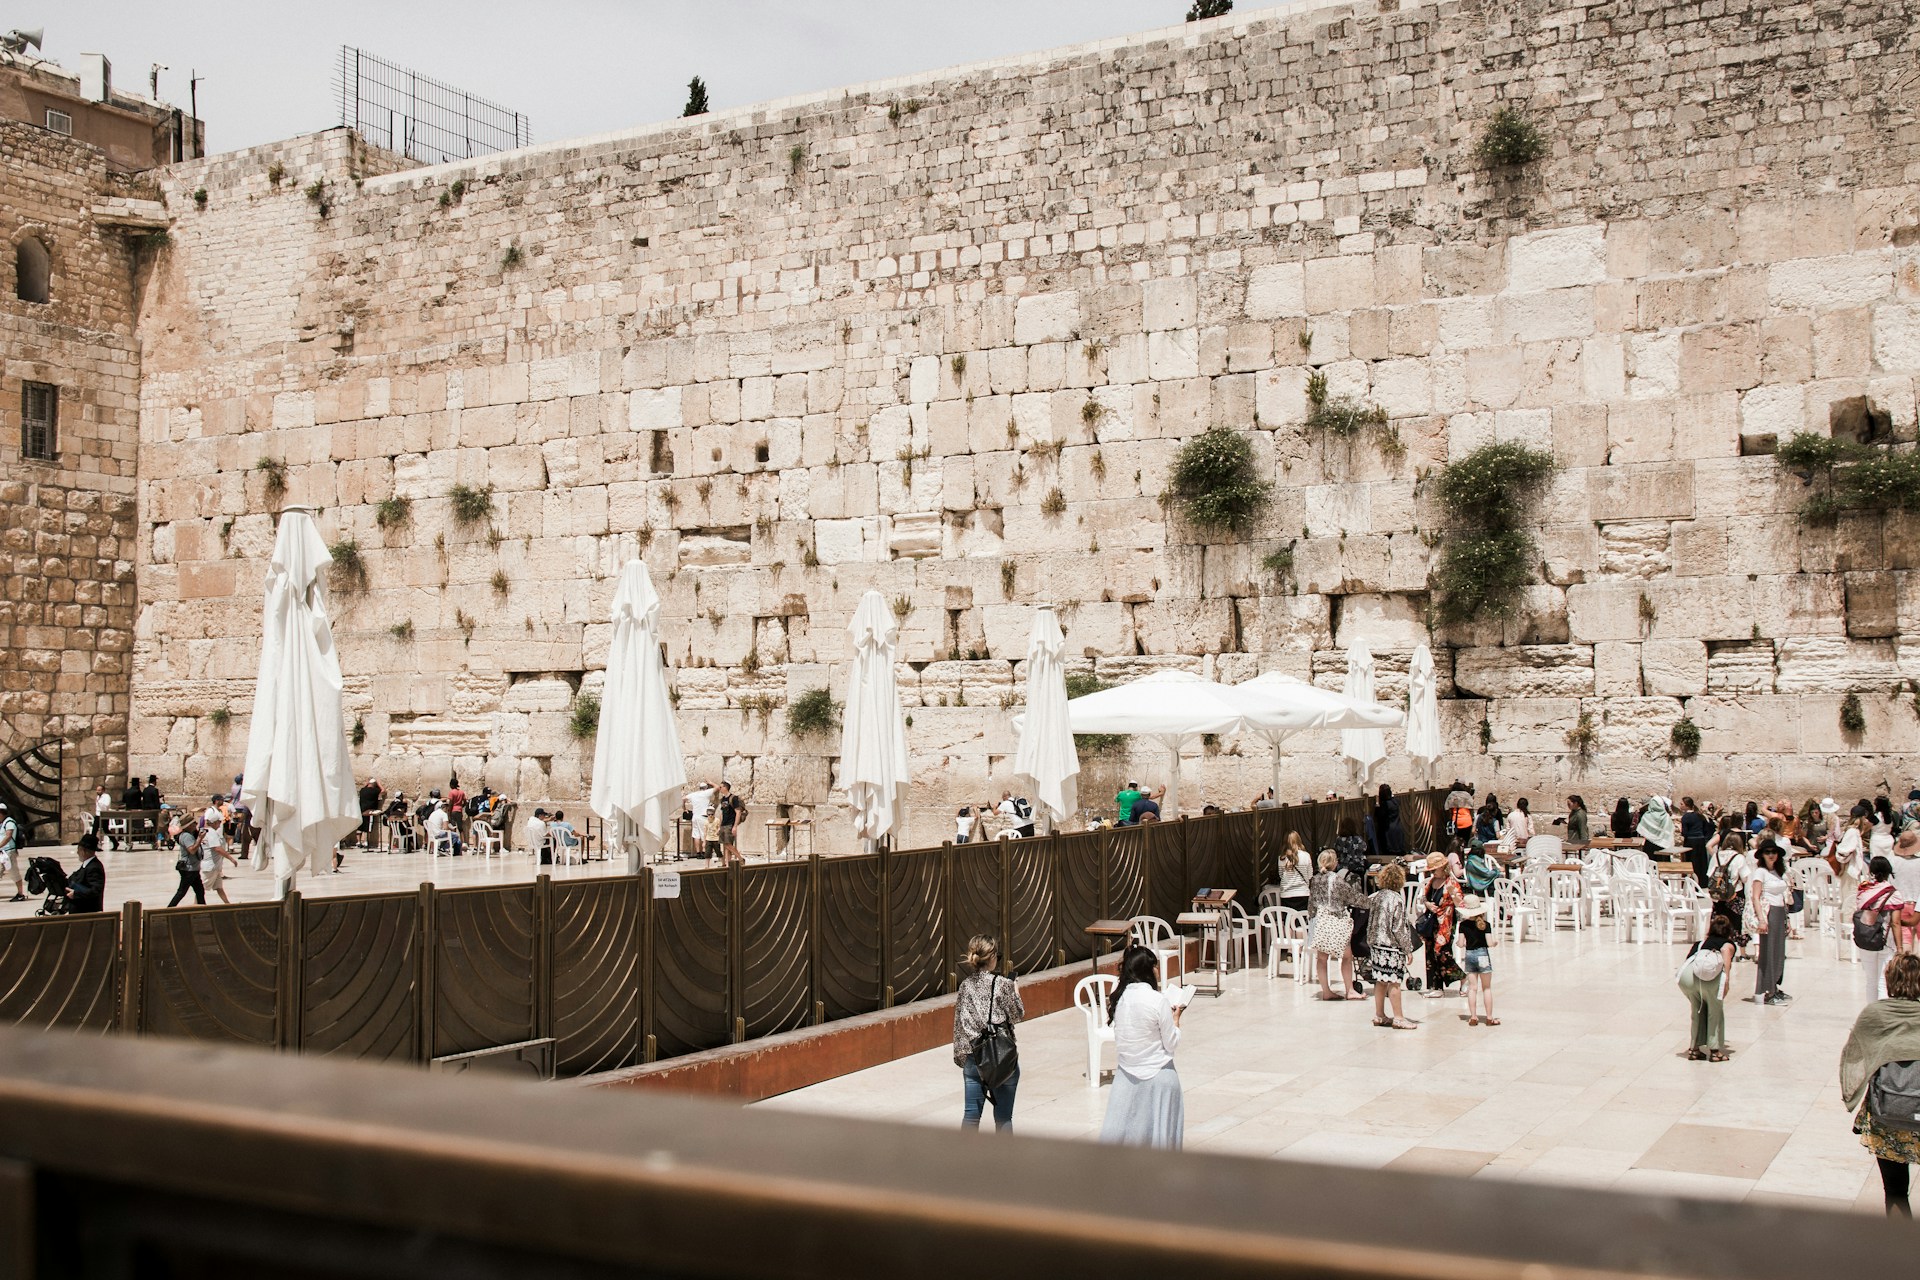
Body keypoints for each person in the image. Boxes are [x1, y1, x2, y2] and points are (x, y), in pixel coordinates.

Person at [1839, 952, 1920, 1217]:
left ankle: (1900, 1248)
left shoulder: (1875, 1014)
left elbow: (1853, 1054)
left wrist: (1851, 1095)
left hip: (1888, 1116)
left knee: (1895, 1192)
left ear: (1890, 980)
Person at [1099, 945, 1185, 1148]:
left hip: (1126, 1078)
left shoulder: (1120, 999)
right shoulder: (1157, 1000)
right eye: (1154, 966)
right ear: (1148, 970)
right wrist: (1176, 1021)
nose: (1157, 971)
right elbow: (1171, 1043)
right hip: (1160, 1079)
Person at [952, 934, 1023, 1131]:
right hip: (1002, 1058)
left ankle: (964, 1160)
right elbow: (1017, 1015)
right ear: (991, 958)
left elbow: (959, 1027)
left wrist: (963, 1060)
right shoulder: (1002, 984)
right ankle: (1004, 1161)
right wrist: (1015, 992)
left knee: (971, 1116)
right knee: (1003, 1118)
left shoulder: (965, 986)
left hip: (974, 1057)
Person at [1679, 902, 1738, 1062]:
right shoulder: (1728, 944)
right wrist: (1726, 982)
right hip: (1710, 982)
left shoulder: (1701, 944)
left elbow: (1689, 960)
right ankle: (1714, 1050)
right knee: (1714, 1013)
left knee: (1697, 1011)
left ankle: (1694, 1049)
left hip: (1688, 980)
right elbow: (1726, 953)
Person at [1307, 850, 1367, 1000]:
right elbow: (1353, 897)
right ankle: (1350, 990)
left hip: (1320, 920)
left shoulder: (1314, 880)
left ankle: (1326, 991)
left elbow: (1311, 903)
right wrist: (1371, 902)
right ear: (1334, 863)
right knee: (1347, 956)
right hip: (1337, 920)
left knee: (1322, 958)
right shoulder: (1337, 880)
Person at [1367, 862, 1417, 1030]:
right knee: (1394, 982)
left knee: (1380, 981)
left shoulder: (1376, 897)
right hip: (1391, 946)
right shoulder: (1397, 900)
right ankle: (1399, 1017)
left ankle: (1379, 1014)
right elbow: (1399, 928)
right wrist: (1408, 948)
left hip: (1376, 944)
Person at [1858, 856, 1909, 1004]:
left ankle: (1872, 1014)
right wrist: (1900, 948)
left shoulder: (1863, 890)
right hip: (1886, 942)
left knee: (1871, 981)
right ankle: (1882, 1017)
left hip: (1866, 940)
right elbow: (1896, 923)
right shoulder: (1894, 894)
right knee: (1883, 982)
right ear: (1889, 872)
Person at [1750, 840, 1792, 1005]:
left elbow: (1782, 895)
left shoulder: (1777, 871)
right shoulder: (1760, 872)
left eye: (1773, 851)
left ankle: (1774, 985)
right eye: (1767, 852)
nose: (1771, 855)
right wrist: (1762, 919)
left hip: (1779, 912)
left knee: (1779, 952)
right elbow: (1755, 896)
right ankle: (1768, 990)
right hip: (1769, 914)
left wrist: (1787, 919)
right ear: (1762, 855)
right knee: (1769, 952)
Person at [1421, 851, 1464, 996]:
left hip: (1445, 922)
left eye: (1434, 869)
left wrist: (1452, 894)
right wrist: (1428, 905)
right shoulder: (1432, 882)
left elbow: (1460, 904)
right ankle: (1436, 987)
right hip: (1432, 922)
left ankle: (1462, 978)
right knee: (1430, 953)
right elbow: (1424, 899)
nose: (1433, 872)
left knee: (1441, 952)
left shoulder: (1451, 883)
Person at [1456, 894, 1498, 1026]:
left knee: (1473, 989)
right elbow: (1490, 943)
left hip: (1470, 955)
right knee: (1487, 988)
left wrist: (1458, 943)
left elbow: (1461, 943)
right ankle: (1489, 1017)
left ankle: (1473, 1017)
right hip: (1483, 955)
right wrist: (1495, 943)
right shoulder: (1486, 925)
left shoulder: (1463, 925)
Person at [199, 796, 239, 903]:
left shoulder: (213, 832)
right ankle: (196, 905)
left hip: (215, 867)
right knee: (201, 890)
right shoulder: (211, 832)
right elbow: (217, 848)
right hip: (210, 867)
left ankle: (227, 904)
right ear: (214, 822)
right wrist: (231, 858)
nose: (220, 824)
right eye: (218, 823)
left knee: (219, 887)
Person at [166, 810, 205, 907]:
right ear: (188, 826)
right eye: (193, 823)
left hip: (193, 868)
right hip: (189, 869)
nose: (195, 824)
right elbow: (191, 850)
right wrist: (199, 839)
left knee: (199, 891)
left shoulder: (189, 835)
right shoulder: (186, 836)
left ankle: (203, 909)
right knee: (182, 892)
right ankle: (169, 909)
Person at [65, 834, 105, 913]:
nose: (77, 852)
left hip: (88, 911)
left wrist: (76, 894)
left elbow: (95, 890)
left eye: (79, 850)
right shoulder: (87, 865)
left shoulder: (94, 867)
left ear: (84, 851)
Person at [1275, 832, 1311, 917]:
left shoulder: (1282, 858)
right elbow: (1310, 875)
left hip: (1286, 893)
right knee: (1301, 922)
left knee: (1289, 922)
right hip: (1302, 893)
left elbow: (1281, 875)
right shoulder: (1306, 855)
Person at [1678, 797, 1712, 884]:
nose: (1680, 806)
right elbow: (1705, 829)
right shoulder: (1699, 815)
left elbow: (1684, 832)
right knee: (1701, 861)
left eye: (1682, 804)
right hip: (1700, 840)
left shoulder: (1685, 817)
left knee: (1692, 861)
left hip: (1690, 841)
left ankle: (1692, 881)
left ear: (1686, 806)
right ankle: (1703, 881)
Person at [1372, 784, 1406, 859]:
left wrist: (1377, 805)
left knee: (1390, 855)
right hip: (1398, 828)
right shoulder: (1395, 801)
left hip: (1388, 831)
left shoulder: (1385, 805)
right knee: (1399, 853)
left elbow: (1379, 816)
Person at [0, 802, 23, 902]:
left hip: (9, 852)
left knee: (14, 873)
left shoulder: (9, 822)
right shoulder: (2, 824)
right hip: (2, 853)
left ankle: (20, 894)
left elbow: (8, 836)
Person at [718, 783, 746, 865]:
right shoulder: (723, 799)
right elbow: (722, 813)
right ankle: (728, 863)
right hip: (724, 824)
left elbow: (738, 812)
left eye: (721, 787)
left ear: (725, 787)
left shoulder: (733, 798)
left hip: (730, 824)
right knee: (725, 844)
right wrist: (720, 825)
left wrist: (735, 826)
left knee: (728, 844)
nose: (719, 788)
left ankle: (740, 859)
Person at [358, 776, 385, 850]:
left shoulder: (362, 790)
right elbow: (383, 790)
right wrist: (379, 783)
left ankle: (359, 842)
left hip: (362, 810)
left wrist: (366, 783)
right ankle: (366, 842)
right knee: (368, 827)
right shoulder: (375, 791)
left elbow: (364, 787)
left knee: (360, 826)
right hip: (370, 811)